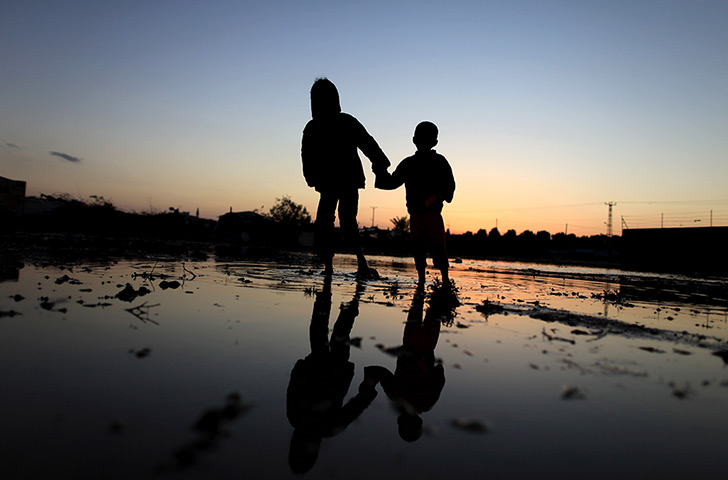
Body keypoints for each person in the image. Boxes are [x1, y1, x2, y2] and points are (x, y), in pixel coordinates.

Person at [301, 78, 390, 277]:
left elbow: (368, 144)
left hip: (348, 180)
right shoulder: (313, 127)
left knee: (347, 221)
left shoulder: (346, 122)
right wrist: (311, 177)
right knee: (325, 222)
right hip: (328, 182)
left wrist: (380, 164)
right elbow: (307, 154)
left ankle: (361, 263)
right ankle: (329, 267)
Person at [376, 121, 455, 284]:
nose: (424, 143)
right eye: (422, 139)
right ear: (415, 140)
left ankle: (444, 281)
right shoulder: (410, 163)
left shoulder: (435, 162)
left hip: (432, 214)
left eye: (427, 140)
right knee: (420, 248)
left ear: (434, 142)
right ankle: (423, 282)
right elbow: (391, 182)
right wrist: (379, 170)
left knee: (438, 248)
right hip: (417, 214)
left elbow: (449, 188)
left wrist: (436, 197)